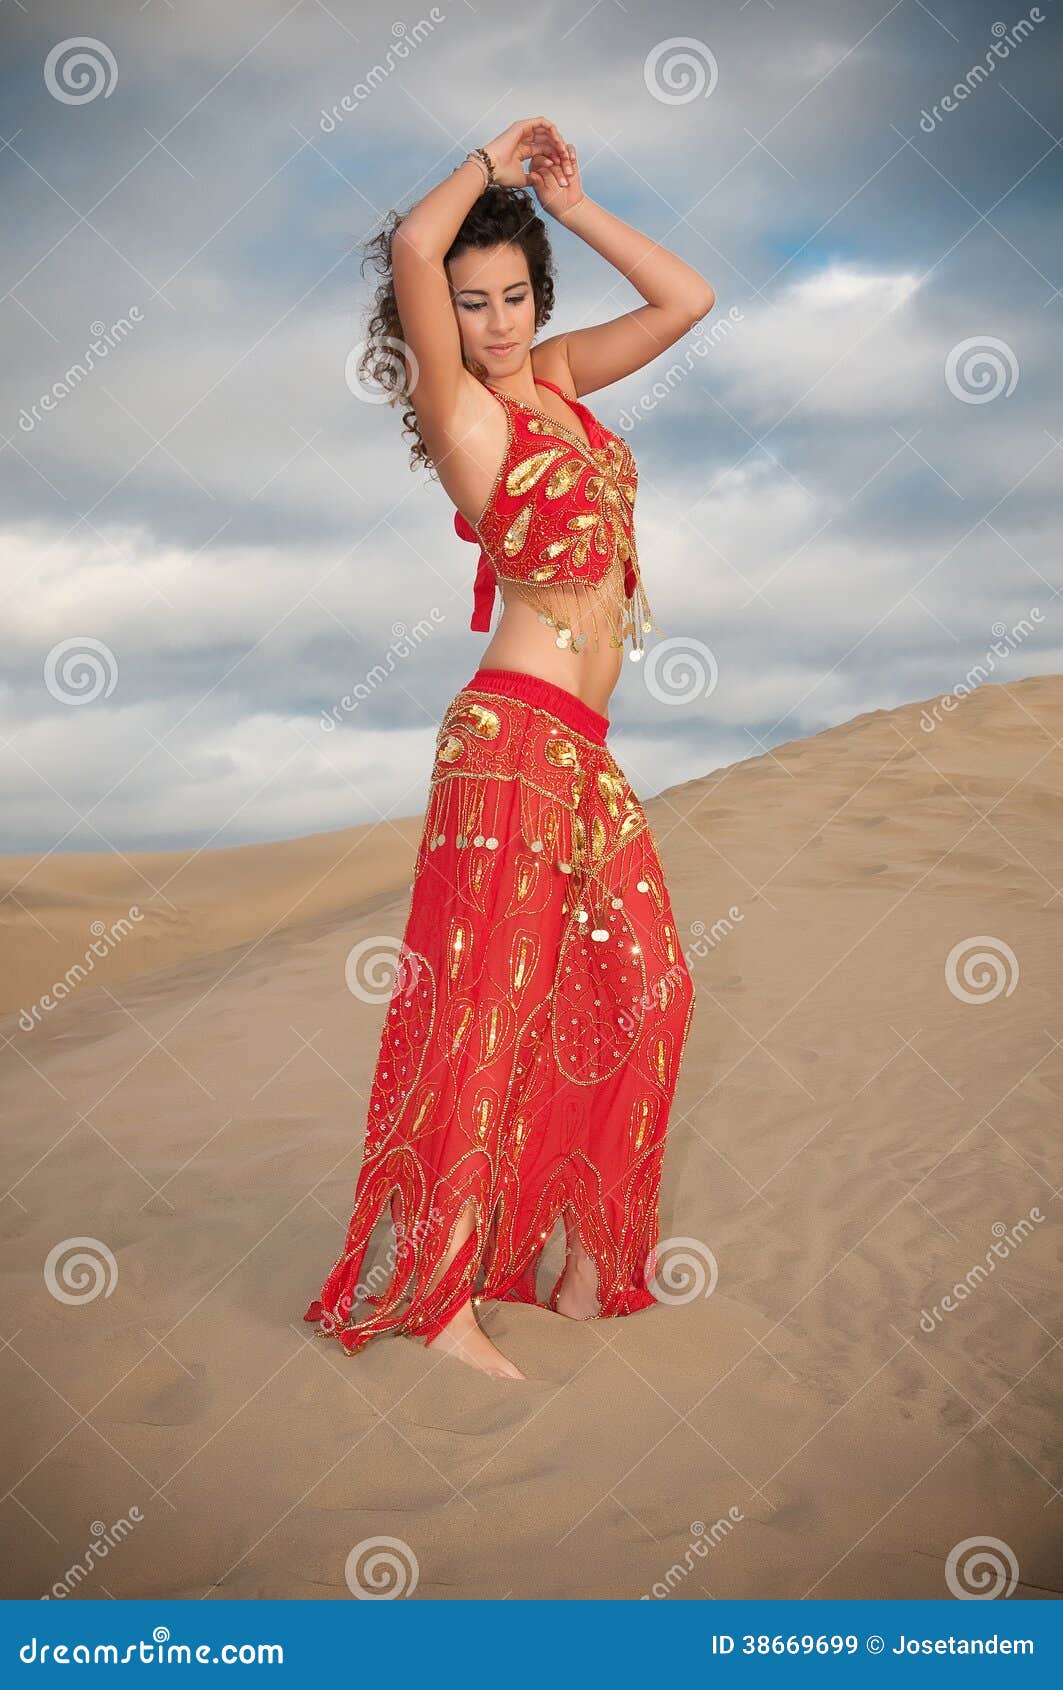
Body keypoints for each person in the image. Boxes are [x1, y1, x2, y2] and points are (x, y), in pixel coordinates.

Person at [304, 117, 712, 1379]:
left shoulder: (560, 385)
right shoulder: (466, 413)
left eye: (512, 298)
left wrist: (572, 202)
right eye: (469, 304)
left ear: (539, 296)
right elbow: (418, 244)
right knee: (488, 1018)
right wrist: (489, 155)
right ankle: (437, 1301)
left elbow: (688, 297)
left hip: (583, 755)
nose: (490, 324)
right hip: (508, 744)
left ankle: (583, 1268)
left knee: (651, 989)